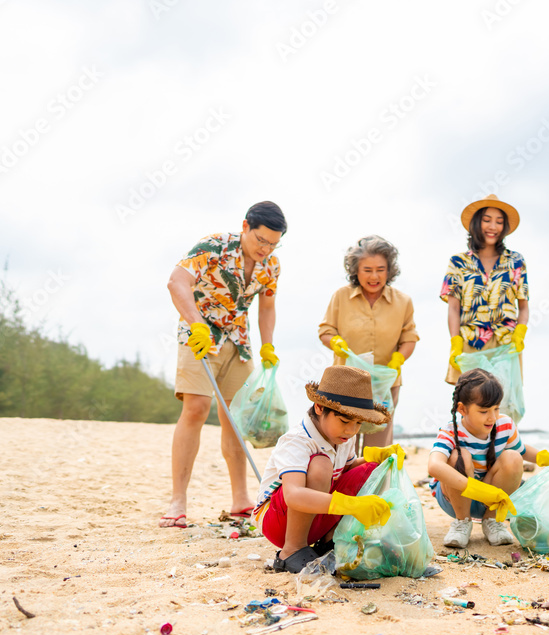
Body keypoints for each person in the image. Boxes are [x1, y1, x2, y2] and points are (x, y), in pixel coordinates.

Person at [160, 201, 286, 529]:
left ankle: (241, 499)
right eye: (261, 240)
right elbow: (177, 282)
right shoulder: (214, 247)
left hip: (239, 342)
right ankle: (178, 502)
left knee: (235, 417)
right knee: (197, 408)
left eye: (274, 243)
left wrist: (268, 344)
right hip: (200, 334)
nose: (266, 249)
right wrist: (196, 323)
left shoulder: (271, 265)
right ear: (245, 227)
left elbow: (267, 306)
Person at [252, 365, 406, 573]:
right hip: (280, 522)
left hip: (315, 514)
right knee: (321, 464)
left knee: (370, 469)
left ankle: (328, 542)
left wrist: (374, 457)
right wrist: (353, 505)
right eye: (344, 420)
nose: (351, 430)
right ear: (319, 408)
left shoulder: (341, 437)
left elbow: (346, 469)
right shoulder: (297, 440)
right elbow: (294, 495)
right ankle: (292, 551)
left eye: (358, 423)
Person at [427, 368, 549, 548]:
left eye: (496, 409)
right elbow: (434, 466)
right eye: (483, 411)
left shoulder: (504, 424)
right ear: (462, 409)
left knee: (512, 457)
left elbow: (521, 450)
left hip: (494, 500)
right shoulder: (450, 431)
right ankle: (462, 523)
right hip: (455, 499)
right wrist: (475, 489)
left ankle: (492, 522)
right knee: (459, 456)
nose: (492, 417)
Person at [318, 235, 419, 446]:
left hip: (385, 384)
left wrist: (399, 358)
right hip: (346, 383)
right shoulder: (341, 297)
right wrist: (335, 342)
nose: (374, 276)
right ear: (355, 270)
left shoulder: (403, 302)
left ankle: (373, 480)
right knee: (344, 442)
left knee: (377, 446)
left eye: (381, 269)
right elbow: (325, 330)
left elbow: (409, 337)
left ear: (390, 270)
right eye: (367, 270)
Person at [441, 195, 529, 384]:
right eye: (487, 220)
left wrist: (520, 333)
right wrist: (455, 343)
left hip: (506, 344)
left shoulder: (516, 261)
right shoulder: (458, 262)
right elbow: (453, 308)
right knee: (471, 405)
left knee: (505, 405)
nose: (493, 227)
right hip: (471, 342)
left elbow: (523, 305)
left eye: (499, 222)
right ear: (476, 223)